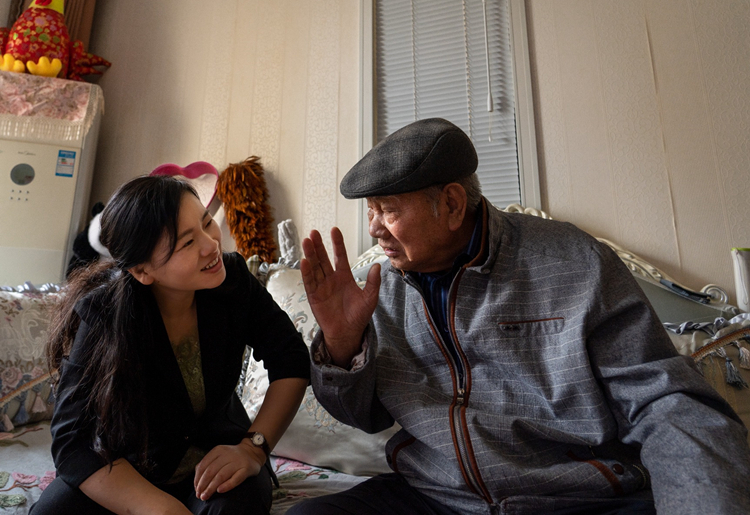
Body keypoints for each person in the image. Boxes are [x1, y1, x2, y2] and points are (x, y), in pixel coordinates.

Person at [290, 118, 750, 515]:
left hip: (576, 500)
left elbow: (665, 403)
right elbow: (364, 417)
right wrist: (342, 345)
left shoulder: (575, 263)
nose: (374, 229)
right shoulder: (382, 289)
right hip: (440, 496)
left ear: (451, 204)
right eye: (371, 211)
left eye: (388, 211)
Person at [32, 173, 310, 515]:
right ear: (142, 271)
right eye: (187, 243)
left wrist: (253, 449)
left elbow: (291, 360)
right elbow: (72, 440)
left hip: (218, 457)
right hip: (132, 467)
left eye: (207, 223)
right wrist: (159, 508)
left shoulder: (233, 281)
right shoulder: (104, 314)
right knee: (52, 511)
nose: (211, 245)